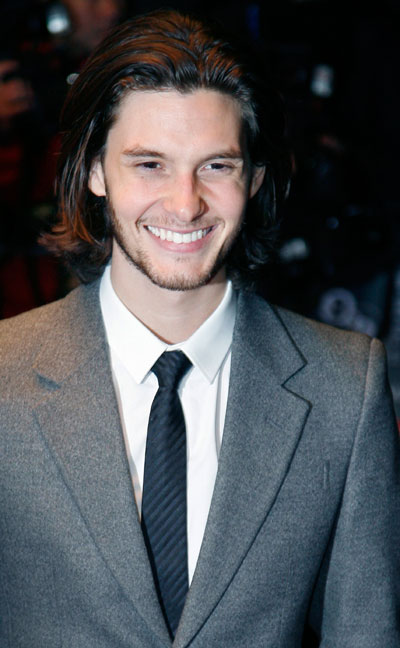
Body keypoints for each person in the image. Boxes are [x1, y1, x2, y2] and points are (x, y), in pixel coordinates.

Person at [0, 10, 399, 648]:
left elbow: (366, 633)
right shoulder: (4, 380)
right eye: (150, 164)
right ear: (95, 172)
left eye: (216, 166)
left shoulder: (345, 388)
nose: (185, 204)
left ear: (255, 180)